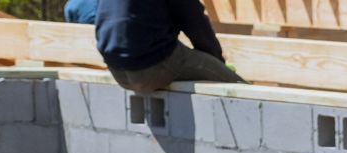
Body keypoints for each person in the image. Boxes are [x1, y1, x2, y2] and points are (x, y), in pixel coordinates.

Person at [94, 0, 246, 94]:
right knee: (236, 86)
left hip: (115, 67)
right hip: (151, 63)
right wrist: (217, 61)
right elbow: (195, 23)